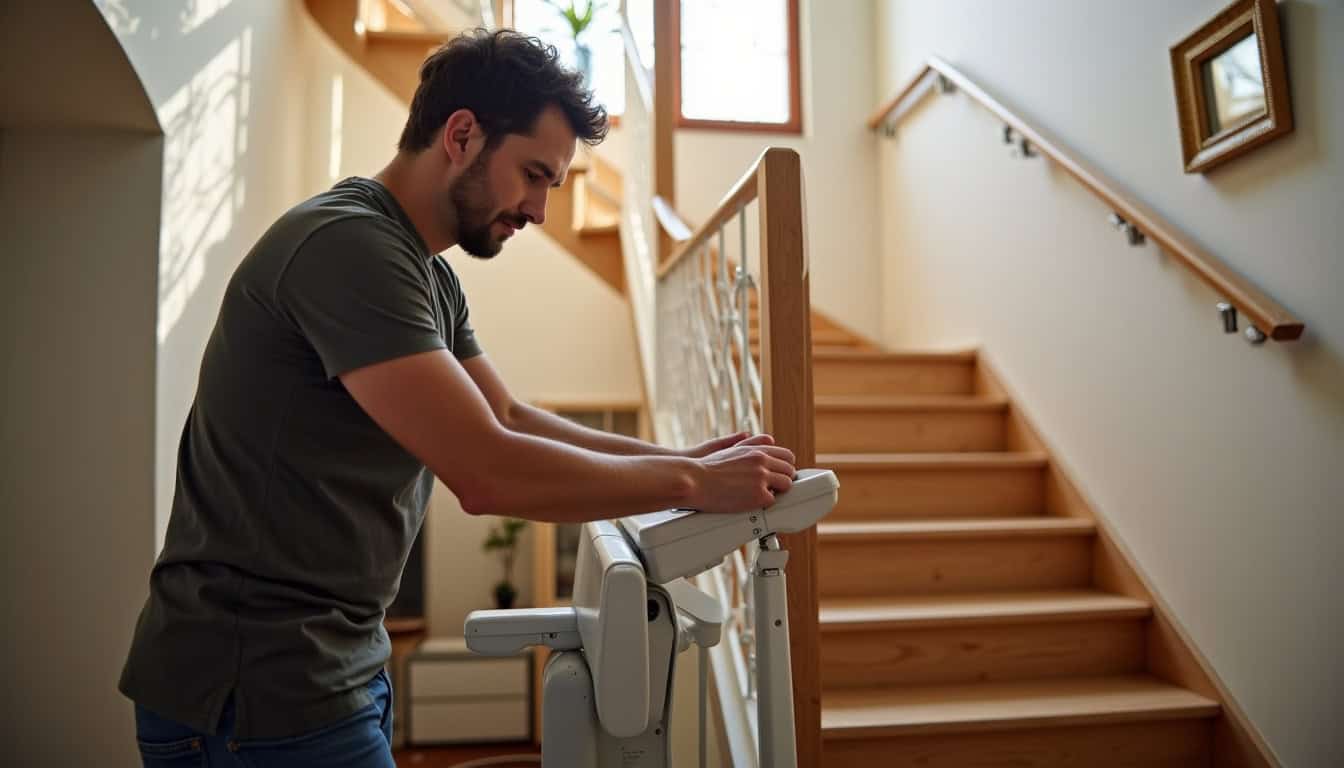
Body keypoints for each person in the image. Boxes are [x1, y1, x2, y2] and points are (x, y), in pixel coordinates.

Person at [120, 28, 796, 767]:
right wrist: (693, 482)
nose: (540, 209)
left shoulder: (428, 273)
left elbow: (508, 417)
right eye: (533, 174)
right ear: (462, 135)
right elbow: (486, 471)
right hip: (249, 689)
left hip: (327, 671)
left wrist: (680, 458)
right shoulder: (348, 246)